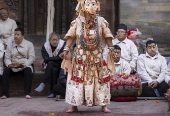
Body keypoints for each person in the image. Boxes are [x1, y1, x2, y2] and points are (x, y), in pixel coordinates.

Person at [61, 0, 115, 113]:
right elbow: (71, 36)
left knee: (101, 81)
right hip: (81, 58)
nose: (92, 7)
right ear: (82, 6)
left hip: (97, 57)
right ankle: (74, 105)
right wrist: (66, 49)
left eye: (94, 4)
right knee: (77, 81)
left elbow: (107, 35)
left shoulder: (101, 21)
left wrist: (111, 49)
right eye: (89, 4)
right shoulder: (77, 22)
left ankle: (103, 105)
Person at [0, 28, 35, 99]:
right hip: (13, 65)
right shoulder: (10, 45)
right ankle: (4, 94)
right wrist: (9, 64)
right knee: (6, 71)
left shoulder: (29, 44)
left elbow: (32, 58)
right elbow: (7, 58)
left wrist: (24, 65)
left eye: (18, 35)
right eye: (15, 34)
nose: (16, 36)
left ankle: (27, 93)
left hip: (24, 65)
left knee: (28, 71)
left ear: (22, 36)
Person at [35, 32, 65, 98]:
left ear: (59, 40)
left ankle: (43, 82)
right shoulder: (45, 46)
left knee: (50, 63)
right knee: (53, 70)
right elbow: (45, 58)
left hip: (62, 65)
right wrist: (47, 59)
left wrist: (47, 59)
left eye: (56, 40)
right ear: (49, 40)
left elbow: (59, 58)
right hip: (52, 66)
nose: (55, 42)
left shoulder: (63, 44)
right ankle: (53, 92)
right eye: (53, 40)